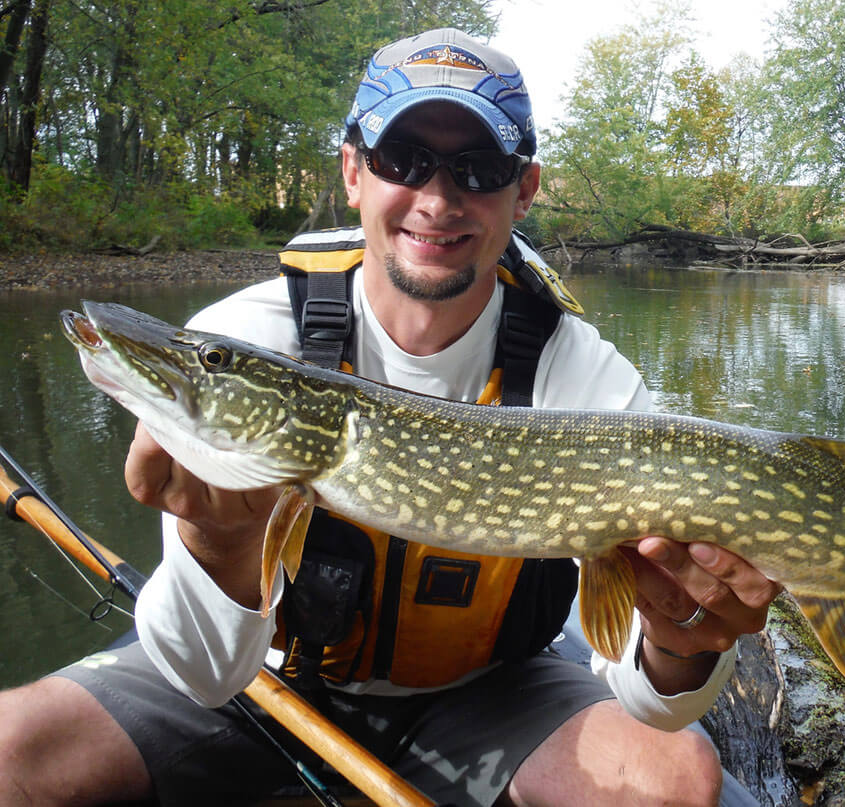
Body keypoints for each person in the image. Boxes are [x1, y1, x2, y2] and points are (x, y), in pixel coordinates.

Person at [0, 28, 780, 807]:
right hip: (262, 683)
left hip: (491, 694)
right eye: (402, 160)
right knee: (12, 751)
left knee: (674, 779)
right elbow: (204, 675)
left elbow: (650, 700)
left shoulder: (586, 381)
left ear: (526, 188)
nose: (437, 200)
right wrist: (221, 539)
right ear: (353, 170)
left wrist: (679, 640)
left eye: (478, 169)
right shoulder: (247, 336)